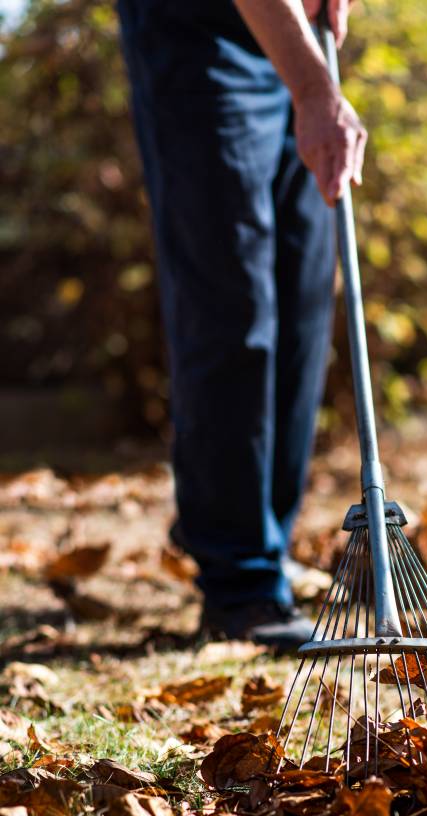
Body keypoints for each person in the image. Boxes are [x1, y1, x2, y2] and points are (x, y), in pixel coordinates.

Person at [117, 0, 366, 649]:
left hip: (289, 42)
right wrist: (314, 88)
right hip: (197, 35)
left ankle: (262, 545)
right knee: (231, 303)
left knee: (303, 299)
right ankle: (239, 582)